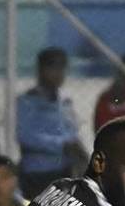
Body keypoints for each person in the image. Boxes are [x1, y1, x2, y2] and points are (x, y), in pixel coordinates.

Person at [16, 48, 86, 198]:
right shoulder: (28, 101)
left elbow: (71, 130)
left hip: (64, 171)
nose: (59, 74)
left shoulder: (65, 101)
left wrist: (76, 146)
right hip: (38, 172)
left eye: (62, 68)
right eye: (53, 68)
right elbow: (25, 136)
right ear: (41, 70)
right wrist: (61, 145)